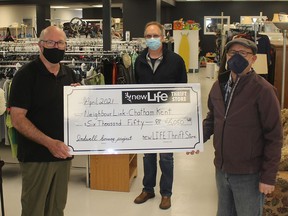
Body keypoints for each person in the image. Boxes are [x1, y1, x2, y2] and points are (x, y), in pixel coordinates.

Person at [201, 38, 283, 216]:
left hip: (249, 173)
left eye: (243, 54)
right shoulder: (219, 86)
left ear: (253, 59)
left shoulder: (264, 91)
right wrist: (195, 139)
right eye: (232, 53)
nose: (236, 57)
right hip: (222, 170)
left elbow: (274, 137)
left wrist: (268, 177)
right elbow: (212, 118)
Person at [9, 26, 79, 216]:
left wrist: (81, 97)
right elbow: (17, 119)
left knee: (57, 208)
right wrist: (50, 143)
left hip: (64, 153)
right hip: (36, 156)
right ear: (40, 45)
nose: (56, 46)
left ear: (66, 46)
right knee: (34, 209)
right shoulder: (25, 76)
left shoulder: (70, 74)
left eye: (60, 43)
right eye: (50, 42)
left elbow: (74, 113)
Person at [133, 21, 187, 210]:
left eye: (156, 36)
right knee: (148, 155)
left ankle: (166, 193)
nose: (152, 39)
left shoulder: (176, 61)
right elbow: (134, 89)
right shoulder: (139, 60)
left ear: (163, 38)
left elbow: (184, 91)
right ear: (144, 38)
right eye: (148, 36)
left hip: (168, 118)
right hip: (147, 117)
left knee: (166, 157)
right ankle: (148, 189)